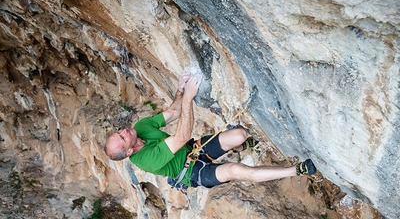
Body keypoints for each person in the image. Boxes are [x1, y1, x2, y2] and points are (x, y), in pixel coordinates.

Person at [104, 73, 316, 188]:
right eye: (123, 137)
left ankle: (242, 144)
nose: (125, 131)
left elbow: (172, 112)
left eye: (119, 131)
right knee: (236, 170)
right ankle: (298, 170)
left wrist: (179, 92)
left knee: (239, 134)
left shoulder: (139, 128)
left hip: (194, 150)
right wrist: (189, 98)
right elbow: (181, 136)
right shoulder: (146, 160)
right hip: (192, 173)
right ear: (129, 152)